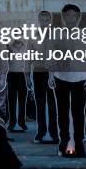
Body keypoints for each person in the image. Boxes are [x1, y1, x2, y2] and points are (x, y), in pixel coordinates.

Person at [48, 4, 86, 158]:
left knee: (79, 113)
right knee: (62, 112)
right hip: (60, 77)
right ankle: (65, 142)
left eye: (74, 15)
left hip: (80, 78)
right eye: (67, 15)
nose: (71, 18)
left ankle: (79, 144)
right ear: (63, 16)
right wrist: (50, 74)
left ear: (78, 17)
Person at [27, 10, 58, 143]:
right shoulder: (33, 37)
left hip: (53, 73)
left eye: (47, 20)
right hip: (38, 72)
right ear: (39, 21)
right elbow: (28, 58)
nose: (44, 23)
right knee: (40, 104)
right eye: (42, 20)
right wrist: (27, 76)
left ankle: (54, 133)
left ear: (50, 21)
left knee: (53, 104)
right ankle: (41, 132)